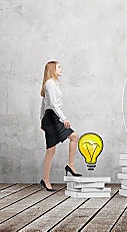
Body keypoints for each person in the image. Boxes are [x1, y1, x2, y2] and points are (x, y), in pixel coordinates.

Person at [40, 61, 81, 191]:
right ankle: (45, 179)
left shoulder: (54, 83)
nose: (61, 69)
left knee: (73, 137)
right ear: (52, 69)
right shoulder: (50, 84)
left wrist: (41, 119)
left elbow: (43, 103)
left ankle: (70, 165)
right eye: (59, 67)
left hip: (51, 117)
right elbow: (52, 104)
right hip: (52, 117)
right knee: (51, 150)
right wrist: (63, 118)